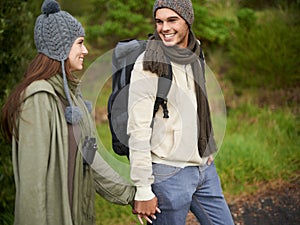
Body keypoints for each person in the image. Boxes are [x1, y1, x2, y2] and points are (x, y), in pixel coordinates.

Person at [0, 0, 135, 224]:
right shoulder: (39, 99)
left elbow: (90, 159)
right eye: (79, 43)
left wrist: (132, 195)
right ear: (60, 47)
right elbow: (33, 187)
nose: (86, 50)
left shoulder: (72, 99)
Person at [128, 0, 235, 224]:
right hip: (168, 174)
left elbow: (199, 106)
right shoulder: (148, 63)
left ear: (187, 20)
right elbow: (137, 130)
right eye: (159, 21)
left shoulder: (195, 53)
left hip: (204, 168)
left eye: (172, 20)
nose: (164, 28)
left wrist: (206, 145)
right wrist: (143, 188)